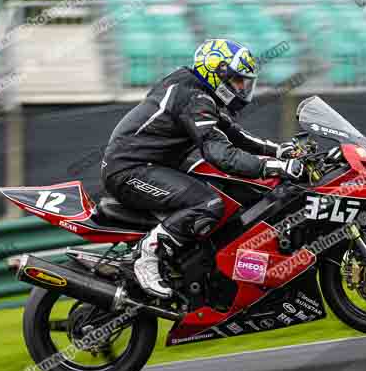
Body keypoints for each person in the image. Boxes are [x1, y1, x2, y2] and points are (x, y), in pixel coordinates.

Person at [101, 39, 305, 298]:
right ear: (216, 72)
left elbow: (234, 135)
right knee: (208, 203)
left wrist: (278, 151)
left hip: (149, 164)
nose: (242, 88)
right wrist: (275, 167)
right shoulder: (193, 98)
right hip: (129, 170)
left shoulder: (197, 92)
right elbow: (221, 154)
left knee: (219, 190)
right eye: (237, 80)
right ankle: (146, 257)